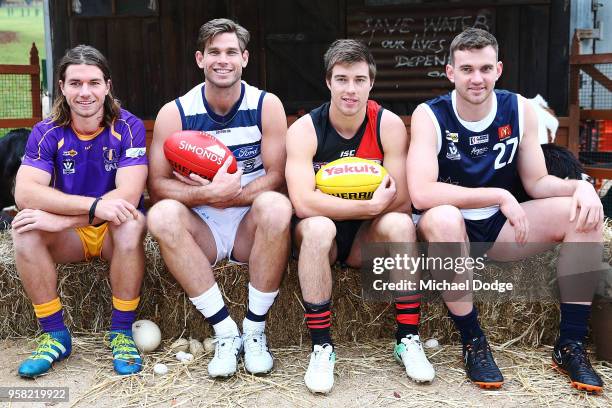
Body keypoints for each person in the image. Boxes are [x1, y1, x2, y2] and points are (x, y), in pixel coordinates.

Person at [407, 28, 604, 393]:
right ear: (450, 72)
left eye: (484, 68)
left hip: (500, 229)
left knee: (583, 214)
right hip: (448, 221)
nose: (476, 78)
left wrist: (580, 186)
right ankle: (474, 342)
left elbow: (537, 183)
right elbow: (421, 194)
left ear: (498, 69)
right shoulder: (429, 115)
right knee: (446, 219)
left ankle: (570, 345)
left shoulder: (519, 108)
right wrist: (496, 194)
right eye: (466, 69)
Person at [286, 39, 434, 394]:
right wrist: (364, 206)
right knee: (319, 227)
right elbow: (304, 204)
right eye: (341, 79)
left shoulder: (388, 125)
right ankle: (322, 346)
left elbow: (402, 199)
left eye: (359, 79)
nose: (350, 89)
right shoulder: (305, 130)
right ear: (328, 82)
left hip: (369, 232)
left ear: (371, 83)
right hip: (324, 234)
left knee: (400, 224)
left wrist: (369, 213)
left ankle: (408, 339)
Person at [147, 18, 291, 378]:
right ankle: (226, 332)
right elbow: (158, 185)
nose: (222, 60)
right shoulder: (175, 112)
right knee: (162, 215)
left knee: (277, 206)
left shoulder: (266, 104)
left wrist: (235, 195)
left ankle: (254, 330)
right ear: (200, 59)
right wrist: (207, 193)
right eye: (214, 52)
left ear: (244, 58)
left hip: (248, 222)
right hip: (203, 224)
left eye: (230, 52)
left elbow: (277, 175)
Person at [12, 45, 148, 377]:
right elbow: (25, 192)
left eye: (93, 82)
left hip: (111, 232)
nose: (84, 92)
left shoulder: (128, 126)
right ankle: (55, 335)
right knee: (25, 228)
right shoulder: (46, 132)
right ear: (61, 87)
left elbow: (128, 197)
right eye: (75, 83)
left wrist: (59, 218)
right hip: (72, 236)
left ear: (107, 85)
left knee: (131, 223)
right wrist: (93, 206)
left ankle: (120, 331)